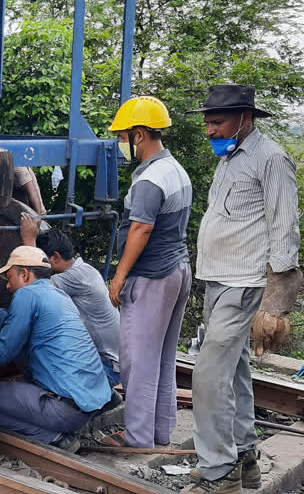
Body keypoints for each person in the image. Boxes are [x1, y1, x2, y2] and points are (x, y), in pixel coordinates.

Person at [183, 84, 301, 494]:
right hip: (219, 278)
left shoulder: (271, 159)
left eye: (217, 122)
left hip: (246, 283)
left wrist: (277, 298)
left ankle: (220, 471)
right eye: (209, 122)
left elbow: (285, 226)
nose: (210, 130)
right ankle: (245, 456)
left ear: (244, 119)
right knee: (233, 371)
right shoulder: (230, 158)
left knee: (208, 372)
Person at [0, 246, 114, 451]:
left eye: (9, 277)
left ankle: (52, 436)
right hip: (88, 403)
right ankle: (54, 423)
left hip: (64, 410)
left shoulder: (26, 296)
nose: (7, 286)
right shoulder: (58, 294)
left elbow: (0, 354)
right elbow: (10, 321)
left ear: (24, 274)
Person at [105, 96, 193, 448]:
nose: (122, 143)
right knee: (163, 356)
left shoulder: (150, 179)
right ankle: (160, 431)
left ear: (139, 134)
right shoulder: (175, 169)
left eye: (124, 136)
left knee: (138, 360)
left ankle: (138, 438)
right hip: (178, 270)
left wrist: (119, 276)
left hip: (153, 277)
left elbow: (141, 229)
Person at [20, 215, 121, 387]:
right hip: (108, 362)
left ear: (56, 257)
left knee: (36, 361)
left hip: (107, 368)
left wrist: (28, 240)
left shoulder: (77, 277)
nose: (43, 266)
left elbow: (33, 288)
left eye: (43, 260)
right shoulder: (85, 271)